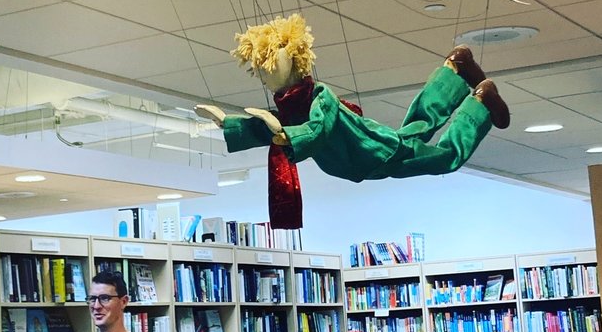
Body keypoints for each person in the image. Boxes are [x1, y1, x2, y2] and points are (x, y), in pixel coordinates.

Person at [196, 13, 510, 229]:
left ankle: (480, 103)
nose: (264, 79)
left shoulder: (320, 97)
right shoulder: (292, 106)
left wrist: (287, 137)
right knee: (418, 127)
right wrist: (227, 122)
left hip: (373, 153)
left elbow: (316, 129)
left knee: (445, 158)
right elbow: (270, 127)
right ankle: (454, 68)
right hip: (369, 155)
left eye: (268, 70)